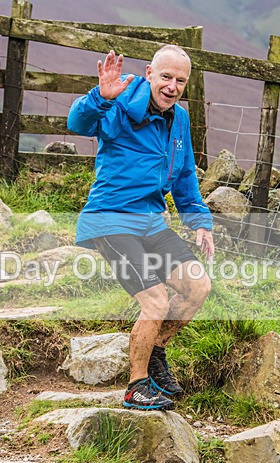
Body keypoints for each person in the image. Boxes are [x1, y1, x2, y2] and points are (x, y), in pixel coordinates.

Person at [68, 45, 214, 411]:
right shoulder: (119, 105)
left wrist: (199, 221)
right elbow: (77, 124)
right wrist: (99, 96)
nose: (172, 86)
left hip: (150, 220)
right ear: (149, 73)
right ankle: (136, 387)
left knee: (198, 286)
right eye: (166, 77)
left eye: (181, 80)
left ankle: (154, 351)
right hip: (111, 218)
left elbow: (184, 176)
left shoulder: (178, 119)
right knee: (156, 300)